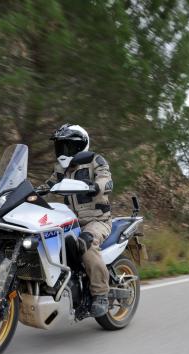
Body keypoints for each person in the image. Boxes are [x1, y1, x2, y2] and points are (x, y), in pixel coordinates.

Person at [43, 123, 113, 317]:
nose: (62, 151)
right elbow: (49, 184)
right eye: (60, 146)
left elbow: (106, 180)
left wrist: (95, 187)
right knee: (47, 241)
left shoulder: (95, 160)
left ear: (80, 145)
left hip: (98, 220)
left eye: (67, 146)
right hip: (71, 220)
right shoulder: (61, 168)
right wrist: (30, 193)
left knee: (86, 243)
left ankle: (101, 294)